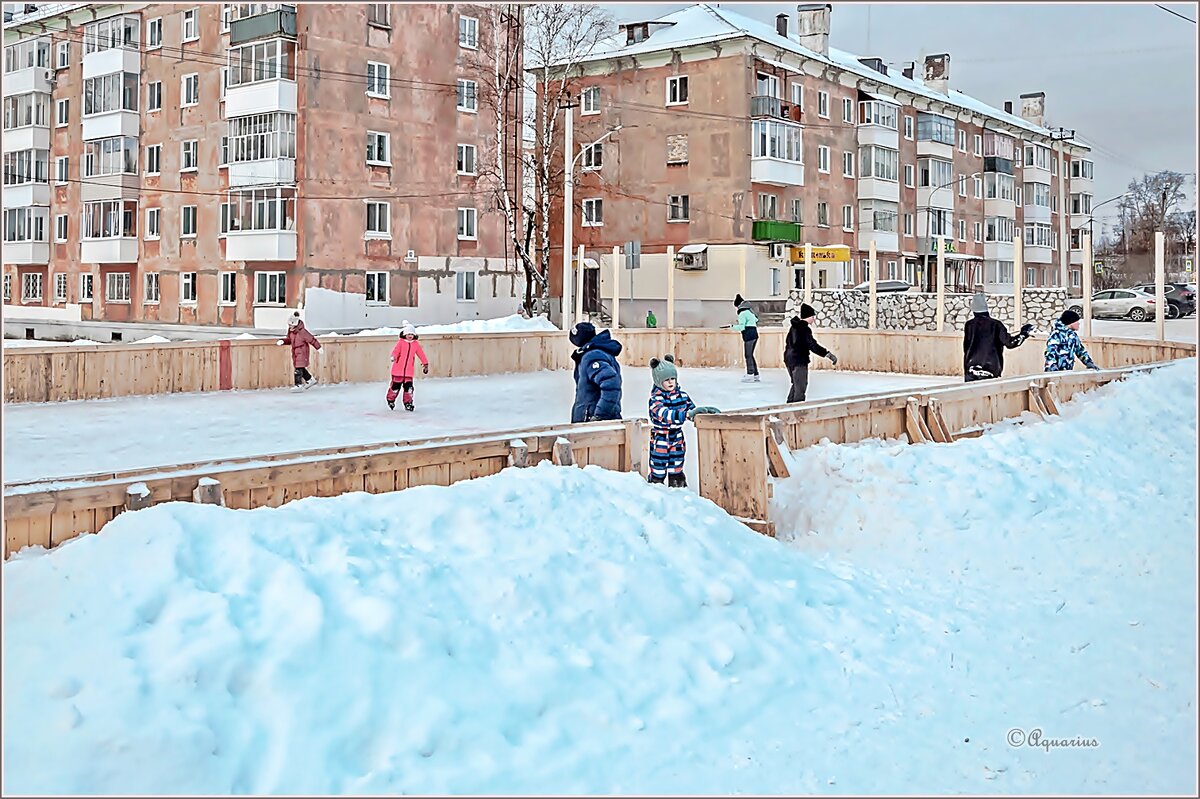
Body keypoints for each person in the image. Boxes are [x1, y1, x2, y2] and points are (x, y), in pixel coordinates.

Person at [646, 354, 719, 488]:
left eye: (673, 378)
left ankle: (677, 485)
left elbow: (691, 411)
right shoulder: (655, 400)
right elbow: (665, 414)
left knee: (677, 462)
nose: (670, 382)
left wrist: (704, 412)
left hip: (677, 436)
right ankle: (656, 486)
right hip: (661, 437)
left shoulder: (682, 396)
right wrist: (686, 415)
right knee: (659, 465)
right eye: (666, 379)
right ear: (658, 381)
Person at [962, 292, 1033, 382]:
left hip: (970, 370)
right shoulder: (996, 325)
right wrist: (1024, 333)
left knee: (971, 395)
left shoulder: (969, 325)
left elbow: (966, 348)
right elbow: (1010, 343)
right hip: (990, 370)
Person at [569, 321, 623, 423]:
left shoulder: (592, 356)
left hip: (595, 425)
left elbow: (611, 383)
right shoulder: (593, 353)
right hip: (592, 421)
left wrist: (600, 415)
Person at [784, 303, 837, 403]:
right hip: (799, 360)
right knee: (800, 387)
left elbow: (788, 343)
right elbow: (812, 345)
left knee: (796, 385)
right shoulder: (804, 329)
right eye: (813, 316)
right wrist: (827, 354)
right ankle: (797, 412)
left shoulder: (794, 327)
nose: (814, 319)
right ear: (808, 316)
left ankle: (788, 409)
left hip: (789, 360)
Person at [387, 322, 429, 411]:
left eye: (412, 334)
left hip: (408, 372)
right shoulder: (401, 343)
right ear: (404, 334)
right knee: (395, 387)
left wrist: (425, 364)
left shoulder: (415, 344)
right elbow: (396, 351)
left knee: (409, 389)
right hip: (398, 371)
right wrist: (393, 357)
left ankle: (408, 403)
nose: (410, 336)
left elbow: (421, 354)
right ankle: (390, 399)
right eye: (408, 334)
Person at [278, 312, 321, 391]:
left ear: (295, 324)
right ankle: (310, 379)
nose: (289, 326)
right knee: (300, 367)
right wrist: (283, 341)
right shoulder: (291, 332)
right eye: (289, 325)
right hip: (295, 352)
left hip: (302, 351)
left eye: (290, 325)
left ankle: (298, 385)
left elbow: (311, 339)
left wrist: (318, 347)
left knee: (298, 369)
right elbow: (289, 340)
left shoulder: (302, 332)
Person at [729, 294, 760, 382]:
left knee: (748, 355)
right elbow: (756, 320)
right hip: (754, 334)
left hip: (748, 335)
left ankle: (750, 374)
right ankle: (755, 374)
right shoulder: (750, 312)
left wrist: (732, 326)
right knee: (751, 355)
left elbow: (742, 327)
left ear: (738, 305)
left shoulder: (742, 313)